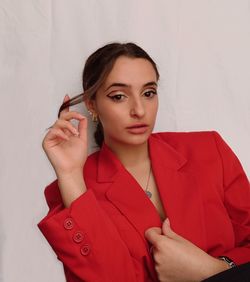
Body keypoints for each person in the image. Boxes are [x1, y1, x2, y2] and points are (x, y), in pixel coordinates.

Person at [38, 42, 250, 282]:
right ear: (91, 103)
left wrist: (212, 270)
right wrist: (70, 174)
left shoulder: (209, 151)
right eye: (118, 96)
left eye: (148, 93)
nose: (139, 110)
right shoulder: (71, 188)